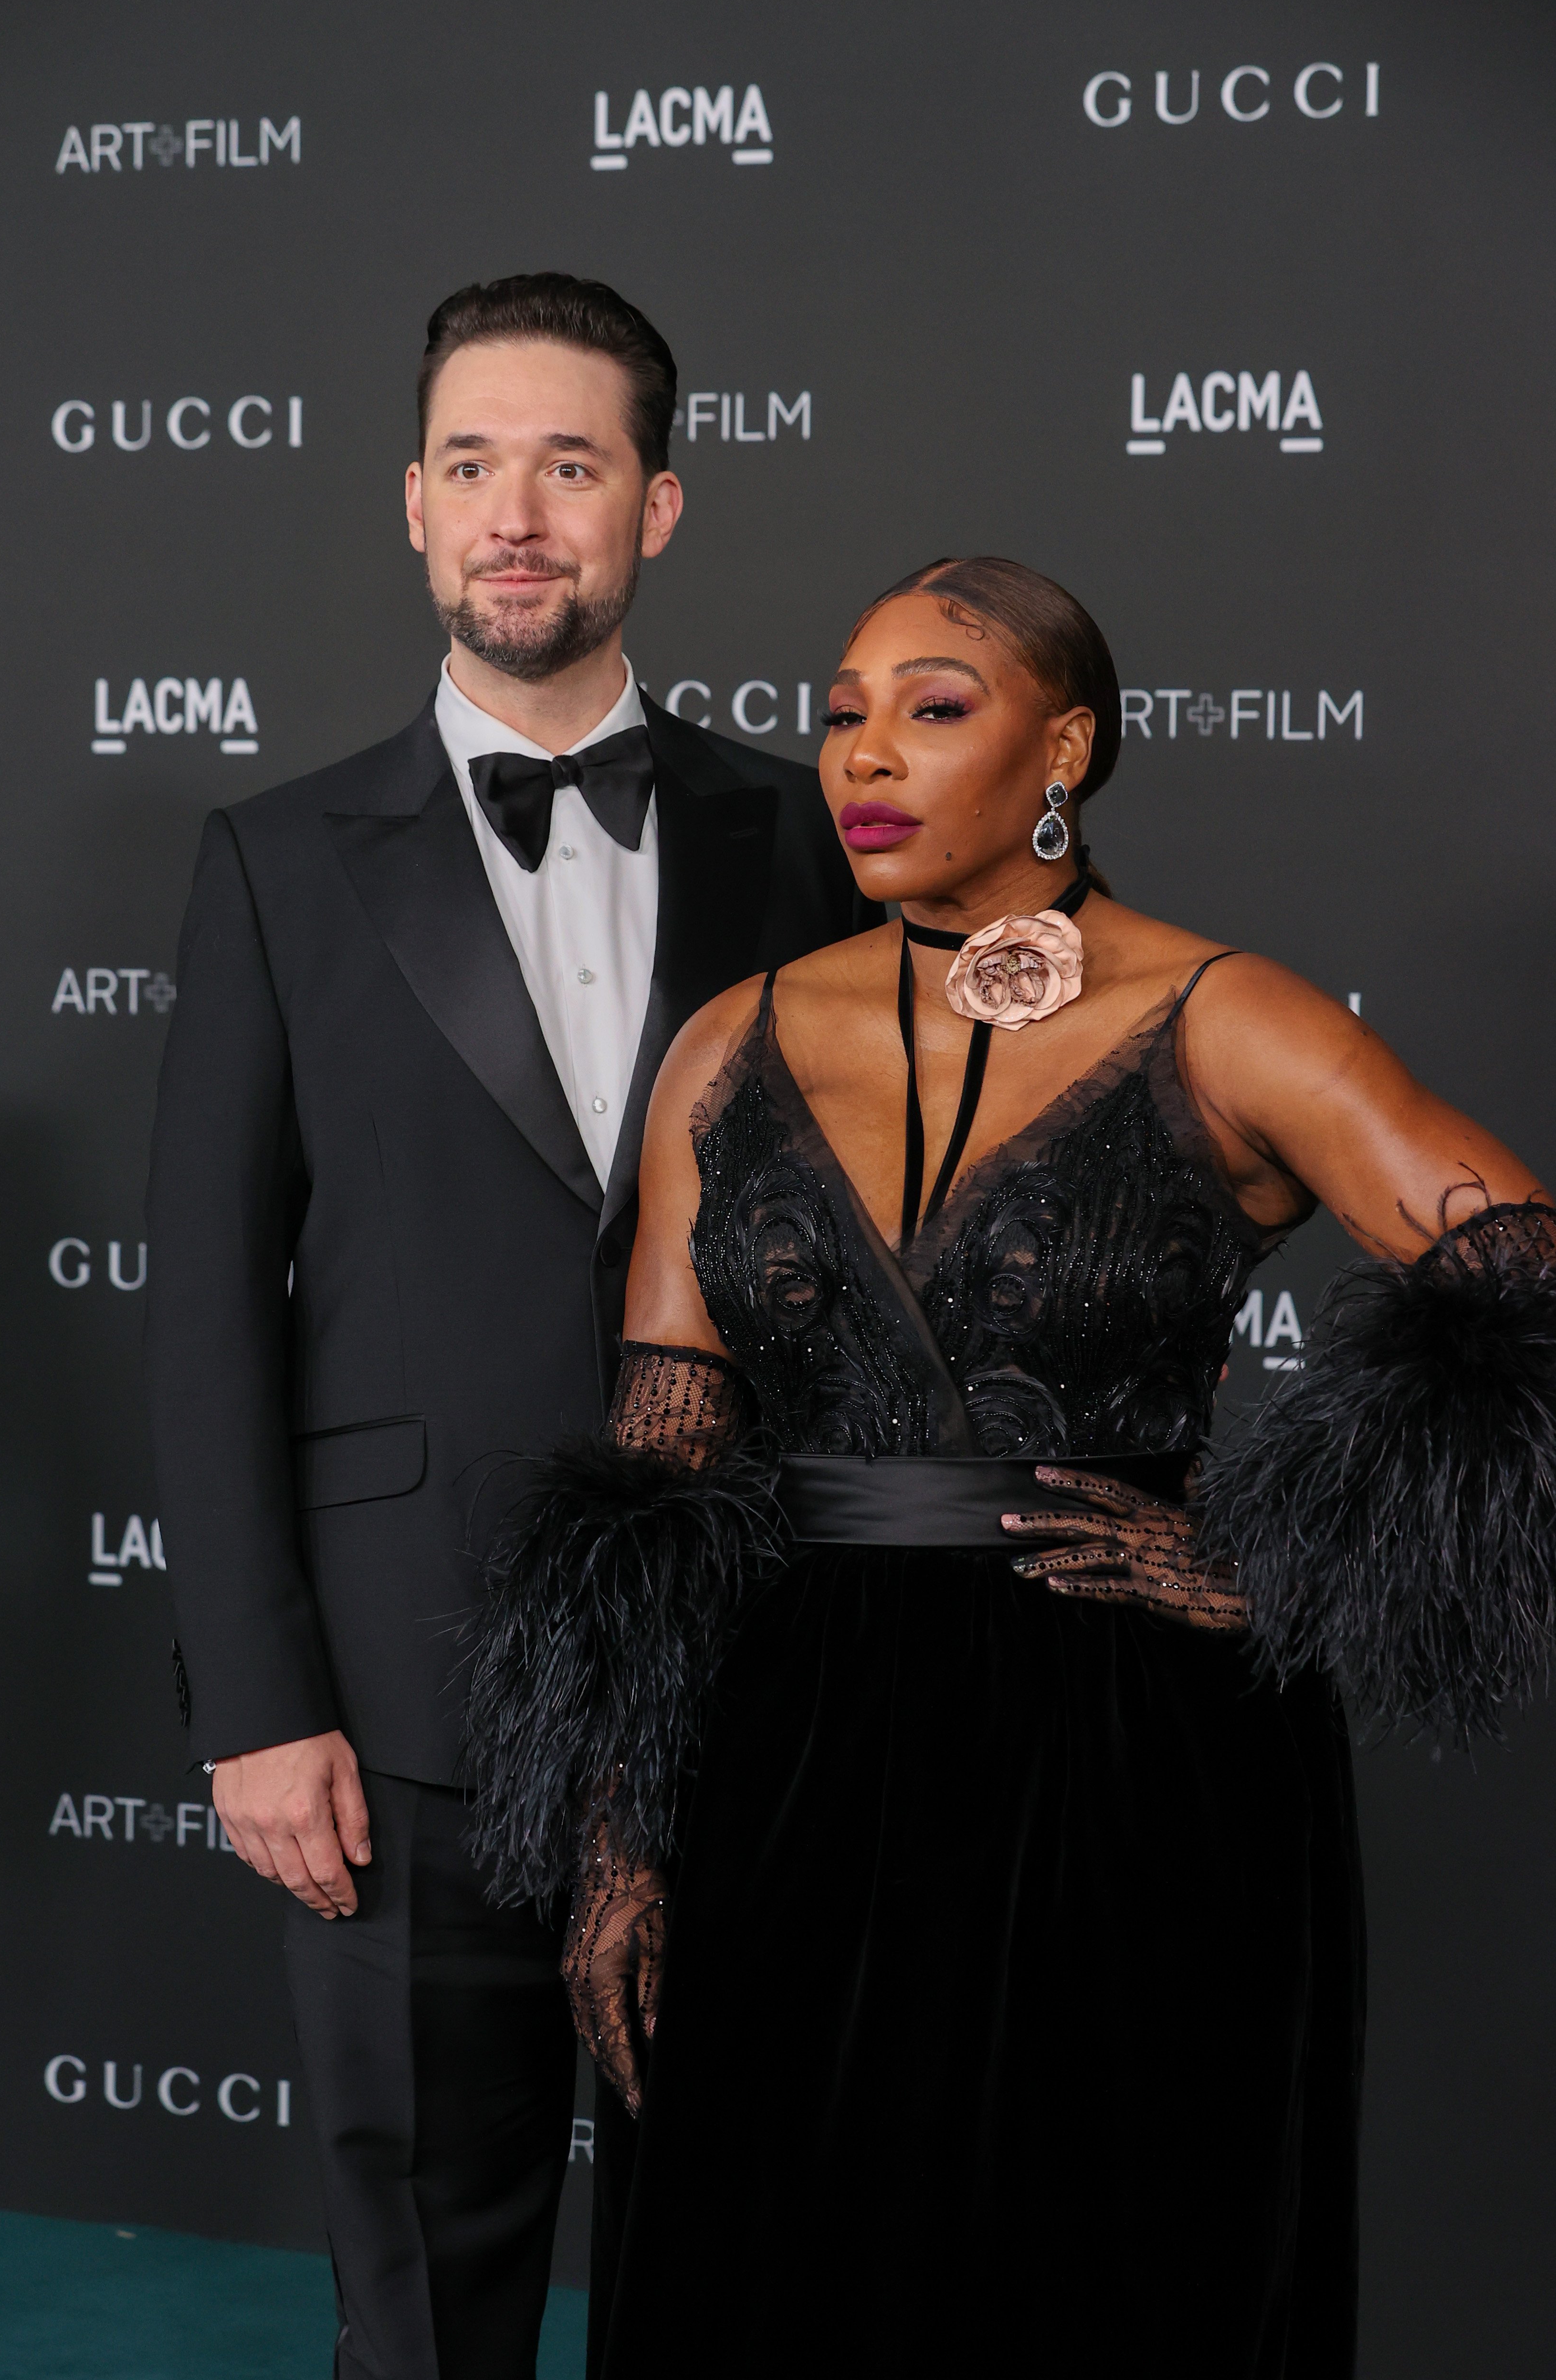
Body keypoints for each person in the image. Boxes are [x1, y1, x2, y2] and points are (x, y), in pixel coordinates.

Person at [467, 556, 1556, 2377]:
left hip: (1130, 1751)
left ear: (1066, 746)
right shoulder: (729, 1045)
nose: (864, 754)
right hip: (785, 1746)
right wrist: (616, 1840)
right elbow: (662, 1470)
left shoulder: (1224, 1014)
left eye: (933, 706)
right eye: (838, 712)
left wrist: (1280, 1569)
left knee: (1114, 2265)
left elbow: (1521, 1284)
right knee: (779, 2279)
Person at [143, 273, 870, 2380]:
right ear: (411, 507)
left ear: (660, 503)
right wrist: (256, 1702)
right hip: (392, 1699)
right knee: (426, 2299)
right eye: (472, 463)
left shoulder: (806, 837)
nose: (516, 511)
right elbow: (205, 1304)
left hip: (740, 1673)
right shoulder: (275, 859)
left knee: (734, 2262)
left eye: (569, 460)